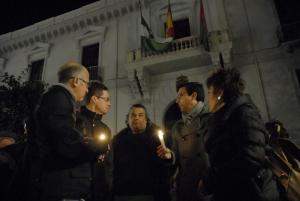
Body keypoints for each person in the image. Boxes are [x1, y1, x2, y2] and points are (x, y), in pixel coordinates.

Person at [26, 62, 109, 201]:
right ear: (76, 81)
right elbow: (65, 142)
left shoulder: (56, 97)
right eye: (86, 84)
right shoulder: (59, 98)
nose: (87, 90)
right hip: (60, 186)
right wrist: (98, 147)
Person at [202, 67, 281, 201]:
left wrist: (212, 180)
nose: (208, 98)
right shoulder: (225, 116)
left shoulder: (244, 113)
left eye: (209, 93)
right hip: (234, 191)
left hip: (252, 193)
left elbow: (250, 158)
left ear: (220, 93)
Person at [158, 82, 209, 201]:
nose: (177, 101)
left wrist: (208, 180)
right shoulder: (178, 126)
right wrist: (169, 155)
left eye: (181, 95)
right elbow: (177, 155)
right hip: (185, 188)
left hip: (206, 187)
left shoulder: (210, 119)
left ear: (193, 96)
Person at [112, 104, 169, 201]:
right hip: (123, 193)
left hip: (151, 193)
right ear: (128, 120)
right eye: (133, 115)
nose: (136, 118)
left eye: (140, 115)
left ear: (146, 120)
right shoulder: (118, 140)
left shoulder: (157, 140)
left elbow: (165, 165)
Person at [76, 81, 112, 201]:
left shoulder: (105, 128)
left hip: (100, 192)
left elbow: (108, 161)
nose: (110, 104)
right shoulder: (76, 120)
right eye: (106, 99)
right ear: (94, 99)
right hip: (79, 189)